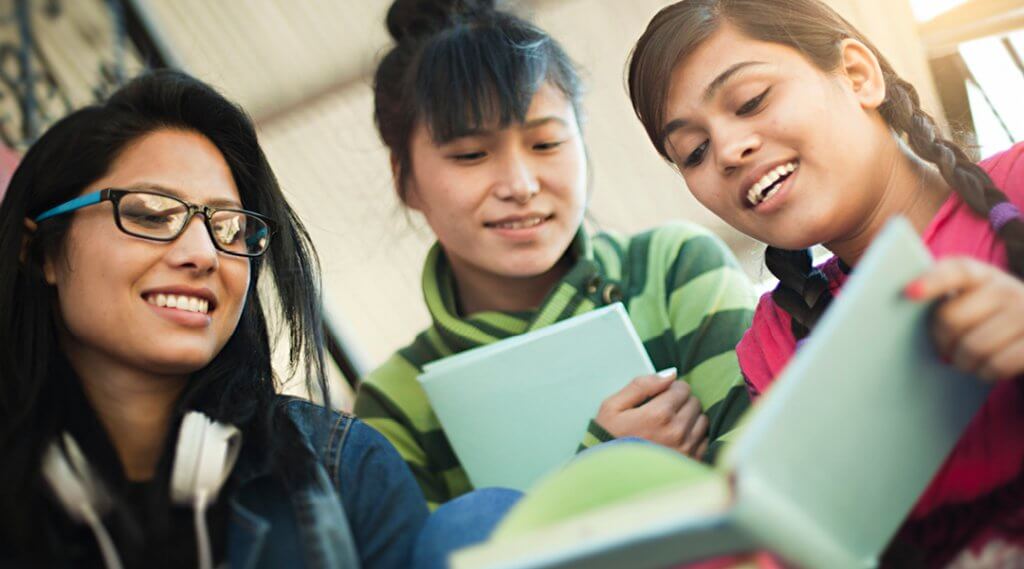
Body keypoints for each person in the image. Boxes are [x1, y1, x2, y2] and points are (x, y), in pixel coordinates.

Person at [627, 1, 1024, 565]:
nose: (729, 152)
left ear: (859, 76)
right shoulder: (773, 345)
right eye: (693, 152)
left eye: (750, 102)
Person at [0, 70, 427, 569]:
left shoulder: (348, 471)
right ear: (40, 251)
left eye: (229, 227)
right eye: (151, 213)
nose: (203, 255)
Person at [354, 0, 757, 514]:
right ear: (403, 177)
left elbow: (757, 468)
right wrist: (605, 472)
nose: (520, 186)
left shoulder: (672, 268)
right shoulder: (393, 405)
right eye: (471, 155)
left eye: (545, 143)